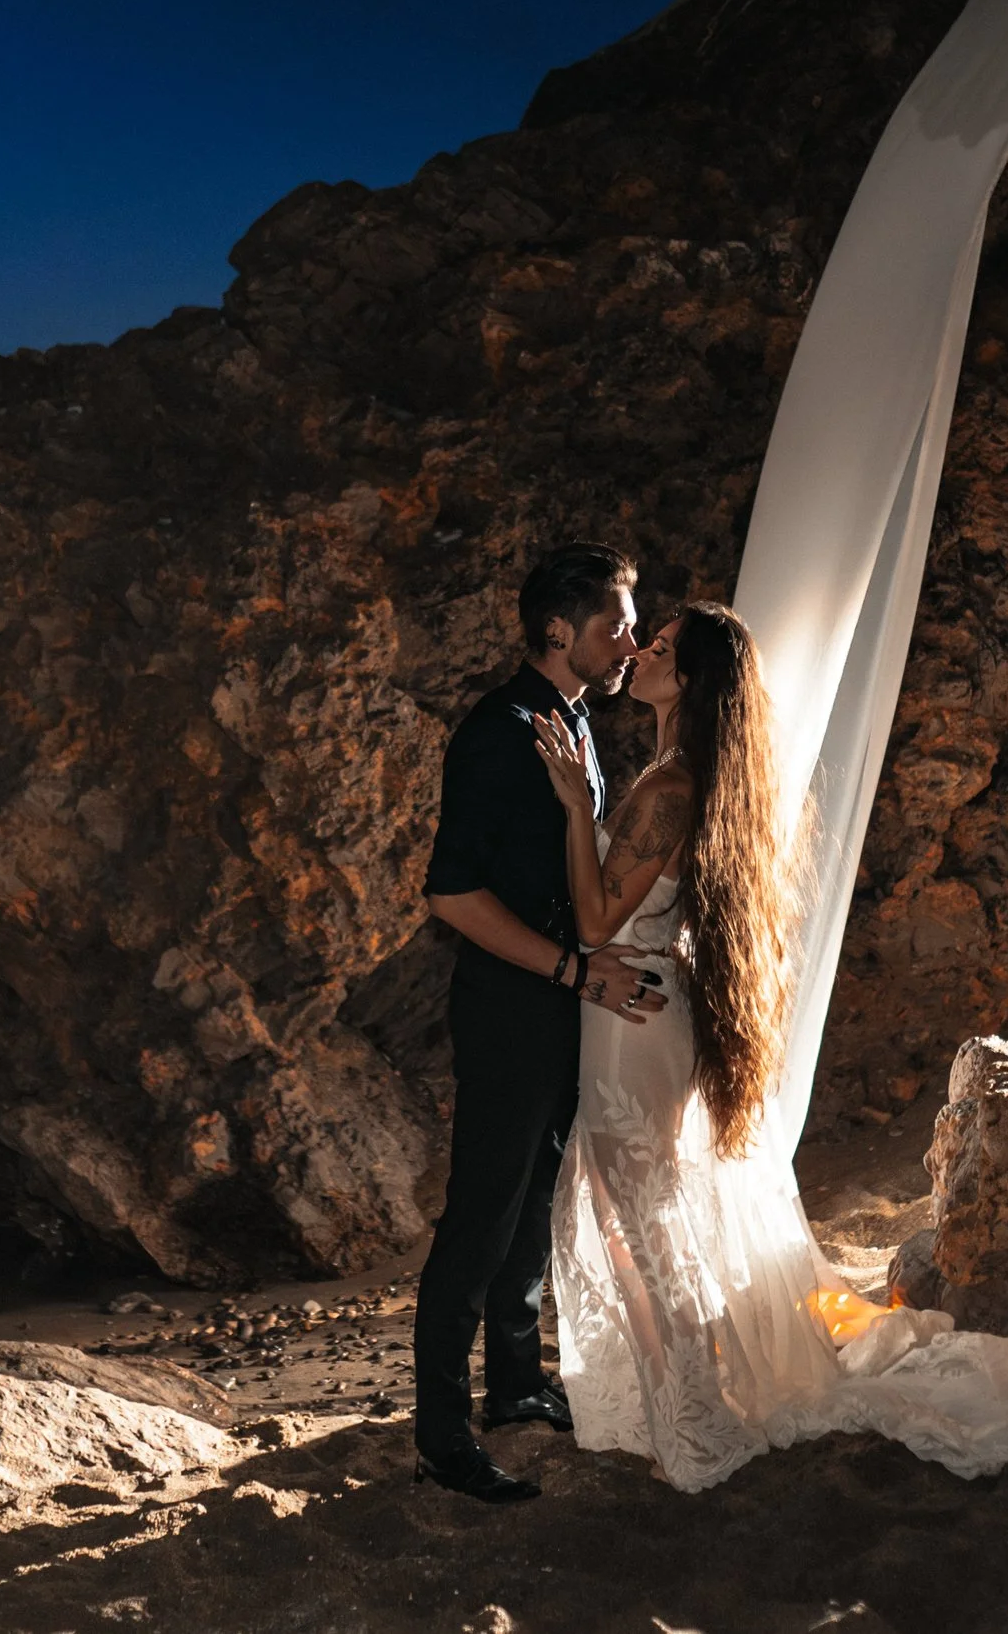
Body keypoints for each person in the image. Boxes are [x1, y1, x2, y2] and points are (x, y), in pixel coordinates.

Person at [531, 602, 1008, 1493]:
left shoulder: (667, 787)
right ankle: (677, 1408)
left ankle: (696, 1423)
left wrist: (576, 806)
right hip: (649, 1012)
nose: (640, 654)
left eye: (657, 647)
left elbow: (594, 917)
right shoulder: (682, 775)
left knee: (643, 1230)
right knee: (637, 1223)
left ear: (685, 678)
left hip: (632, 1024)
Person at [412, 541, 667, 1504]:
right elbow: (451, 895)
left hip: (565, 1001)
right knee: (479, 1217)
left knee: (531, 1208)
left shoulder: (574, 720)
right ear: (558, 631)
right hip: (512, 1007)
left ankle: (515, 1386)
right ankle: (441, 1436)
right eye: (616, 624)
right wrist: (571, 968)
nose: (631, 639)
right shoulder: (497, 730)